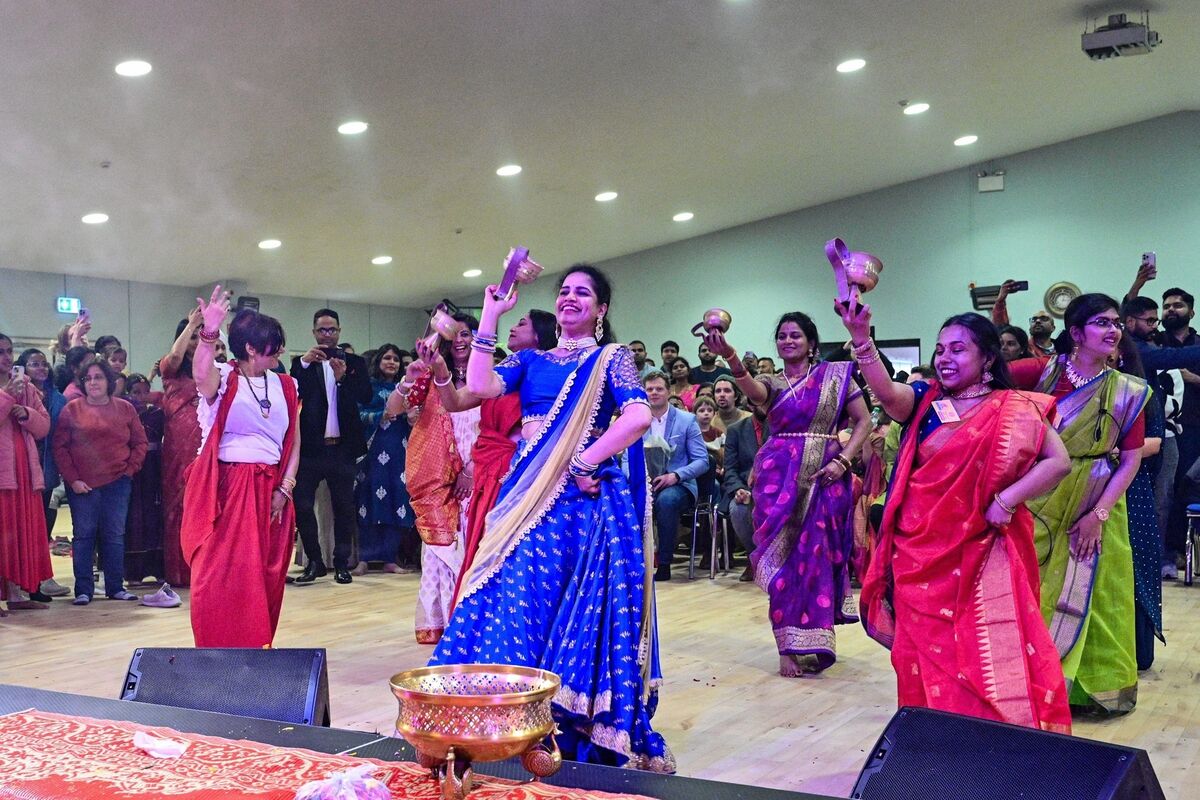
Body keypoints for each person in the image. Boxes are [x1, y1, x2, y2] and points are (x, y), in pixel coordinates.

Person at [431, 264, 672, 772]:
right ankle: (500, 719)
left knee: (567, 608)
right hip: (526, 492)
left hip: (581, 505)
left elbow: (637, 416)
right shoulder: (532, 359)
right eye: (564, 292)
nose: (569, 299)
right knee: (510, 595)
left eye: (582, 293)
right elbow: (478, 384)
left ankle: (560, 727)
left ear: (601, 309)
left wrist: (585, 459)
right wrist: (492, 314)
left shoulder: (612, 358)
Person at [839, 300, 1072, 731]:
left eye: (958, 349)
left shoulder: (1014, 406)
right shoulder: (925, 401)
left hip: (985, 549)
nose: (945, 358)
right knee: (924, 655)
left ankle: (996, 746)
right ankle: (935, 745)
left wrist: (1007, 501)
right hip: (919, 552)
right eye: (940, 349)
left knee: (985, 648)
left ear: (987, 357)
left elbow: (1057, 461)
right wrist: (860, 337)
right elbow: (888, 394)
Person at [1006, 293, 1149, 714]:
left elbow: (1131, 460)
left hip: (1100, 499)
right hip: (1041, 498)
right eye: (1102, 323)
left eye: (1116, 323)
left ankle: (1091, 692)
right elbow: (986, 383)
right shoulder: (1039, 373)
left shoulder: (1129, 390)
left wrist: (1098, 515)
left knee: (1100, 594)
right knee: (1032, 589)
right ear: (1075, 333)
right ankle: (1035, 684)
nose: (1113, 330)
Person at [707, 312, 871, 675]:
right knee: (786, 564)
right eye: (781, 336)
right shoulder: (772, 381)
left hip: (826, 479)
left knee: (818, 559)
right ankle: (787, 645)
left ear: (811, 343)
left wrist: (843, 461)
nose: (788, 341)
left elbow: (864, 421)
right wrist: (731, 357)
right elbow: (754, 392)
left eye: (796, 335)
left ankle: (814, 637)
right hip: (778, 479)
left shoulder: (835, 376)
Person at [182, 287, 300, 647]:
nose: (280, 350)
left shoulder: (286, 384)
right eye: (274, 344)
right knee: (218, 573)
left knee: (263, 572)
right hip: (231, 484)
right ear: (251, 348)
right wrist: (208, 332)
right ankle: (215, 648)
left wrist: (285, 487)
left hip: (273, 486)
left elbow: (293, 440)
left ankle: (255, 647)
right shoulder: (226, 375)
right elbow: (200, 376)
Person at [417, 309, 558, 604]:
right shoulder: (504, 371)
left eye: (522, 323)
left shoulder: (548, 374)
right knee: (481, 545)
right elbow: (456, 402)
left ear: (539, 335)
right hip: (489, 467)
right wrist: (441, 370)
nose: (514, 327)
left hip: (521, 470)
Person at [401, 312, 480, 643]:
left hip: (477, 471)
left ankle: (469, 620)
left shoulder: (490, 378)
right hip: (435, 473)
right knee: (438, 549)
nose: (460, 341)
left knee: (471, 545)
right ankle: (441, 622)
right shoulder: (432, 378)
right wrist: (410, 380)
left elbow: (498, 429)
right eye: (454, 336)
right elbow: (399, 406)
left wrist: (471, 469)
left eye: (467, 334)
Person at [52, 360, 147, 606]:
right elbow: (60, 448)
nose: (93, 382)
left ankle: (115, 587)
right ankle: (83, 590)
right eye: (88, 378)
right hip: (82, 486)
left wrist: (130, 470)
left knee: (114, 536)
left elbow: (140, 443)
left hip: (118, 483)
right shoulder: (71, 409)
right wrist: (73, 480)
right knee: (83, 536)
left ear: (109, 381)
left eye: (99, 377)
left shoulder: (125, 408)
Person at [290, 308, 371, 585]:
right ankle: (314, 561)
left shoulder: (355, 363)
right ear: (313, 332)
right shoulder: (301, 364)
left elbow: (366, 395)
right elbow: (293, 392)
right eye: (322, 330)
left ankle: (341, 563)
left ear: (339, 331)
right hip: (311, 449)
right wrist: (303, 362)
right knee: (302, 505)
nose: (327, 335)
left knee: (344, 508)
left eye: (332, 330)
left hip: (342, 449)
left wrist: (343, 378)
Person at [352, 344, 418, 575]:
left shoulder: (408, 389)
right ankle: (364, 560)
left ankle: (390, 559)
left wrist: (412, 418)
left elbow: (415, 422)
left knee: (397, 505)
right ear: (378, 361)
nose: (392, 362)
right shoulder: (367, 388)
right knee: (368, 503)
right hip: (372, 453)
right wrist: (381, 415)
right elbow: (356, 415)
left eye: (396, 359)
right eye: (387, 358)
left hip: (399, 453)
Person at [0, 336, 53, 613]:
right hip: (2, 472)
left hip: (25, 471)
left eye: (9, 352)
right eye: (0, 352)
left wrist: (26, 413)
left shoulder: (26, 387)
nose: (6, 357)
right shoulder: (12, 389)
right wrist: (7, 396)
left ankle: (18, 594)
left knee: (21, 532)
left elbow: (44, 426)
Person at [642, 371, 709, 582]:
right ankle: (632, 562)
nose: (654, 393)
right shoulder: (636, 419)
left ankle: (664, 562)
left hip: (679, 484)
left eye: (659, 388)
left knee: (666, 500)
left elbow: (702, 461)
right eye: (649, 389)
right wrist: (638, 479)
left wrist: (675, 476)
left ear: (669, 391)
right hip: (644, 482)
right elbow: (626, 457)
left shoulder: (687, 420)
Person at [15, 348, 68, 595]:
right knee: (20, 530)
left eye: (44, 364)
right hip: (19, 469)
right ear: (23, 367)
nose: (42, 368)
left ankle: (39, 580)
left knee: (42, 530)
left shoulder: (57, 398)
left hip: (47, 470)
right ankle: (19, 583)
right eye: (35, 364)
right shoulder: (15, 392)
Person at [158, 310, 204, 586]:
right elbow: (175, 357)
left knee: (204, 507)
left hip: (207, 446)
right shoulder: (171, 369)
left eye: (201, 337)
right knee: (179, 507)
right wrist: (192, 324)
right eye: (192, 338)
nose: (196, 342)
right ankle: (179, 571)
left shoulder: (211, 369)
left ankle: (203, 569)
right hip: (179, 447)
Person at [121, 374, 165, 584]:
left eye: (144, 391)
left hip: (155, 467)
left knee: (154, 515)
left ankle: (157, 568)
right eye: (135, 392)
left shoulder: (158, 413)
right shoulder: (125, 412)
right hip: (135, 467)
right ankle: (134, 572)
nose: (141, 396)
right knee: (135, 517)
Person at [722, 405, 767, 582]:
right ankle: (753, 558)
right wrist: (738, 489)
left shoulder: (783, 425)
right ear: (750, 403)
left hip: (778, 487)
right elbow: (730, 469)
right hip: (745, 487)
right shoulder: (736, 430)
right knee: (738, 508)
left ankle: (775, 559)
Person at [991, 281, 1056, 357]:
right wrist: (1000, 300)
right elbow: (1001, 327)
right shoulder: (1023, 348)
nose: (1038, 321)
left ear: (1053, 328)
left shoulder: (1063, 349)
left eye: (1044, 318)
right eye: (1034, 319)